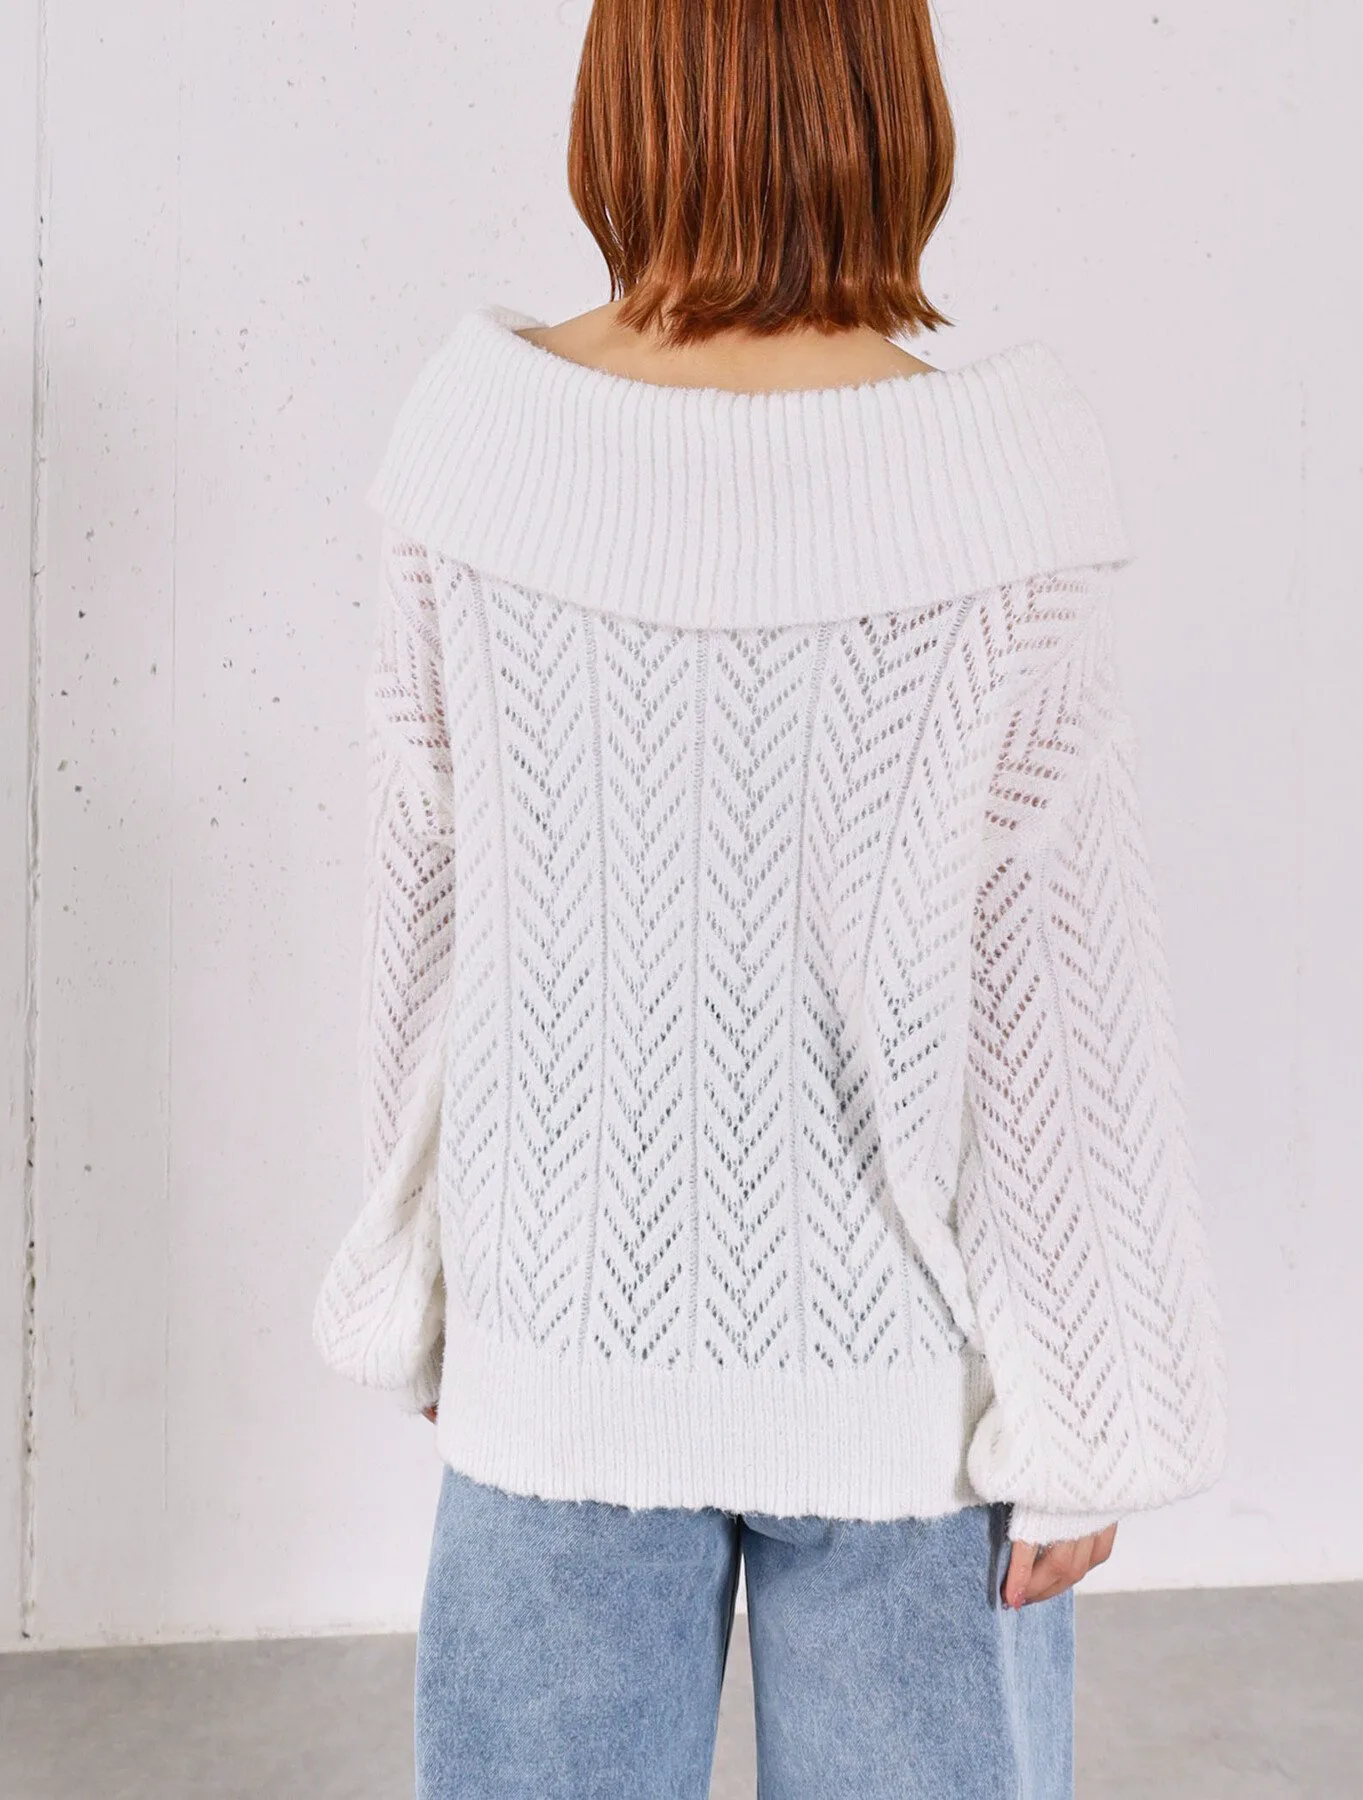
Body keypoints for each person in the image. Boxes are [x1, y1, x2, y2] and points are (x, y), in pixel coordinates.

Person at [312, 1, 1229, 1793]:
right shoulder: (1000, 481)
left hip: (558, 1359)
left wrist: (420, 1278)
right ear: (894, 99)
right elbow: (1056, 997)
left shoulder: (477, 441)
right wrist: (1097, 1409)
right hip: (916, 1399)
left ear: (624, 95)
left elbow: (423, 917)